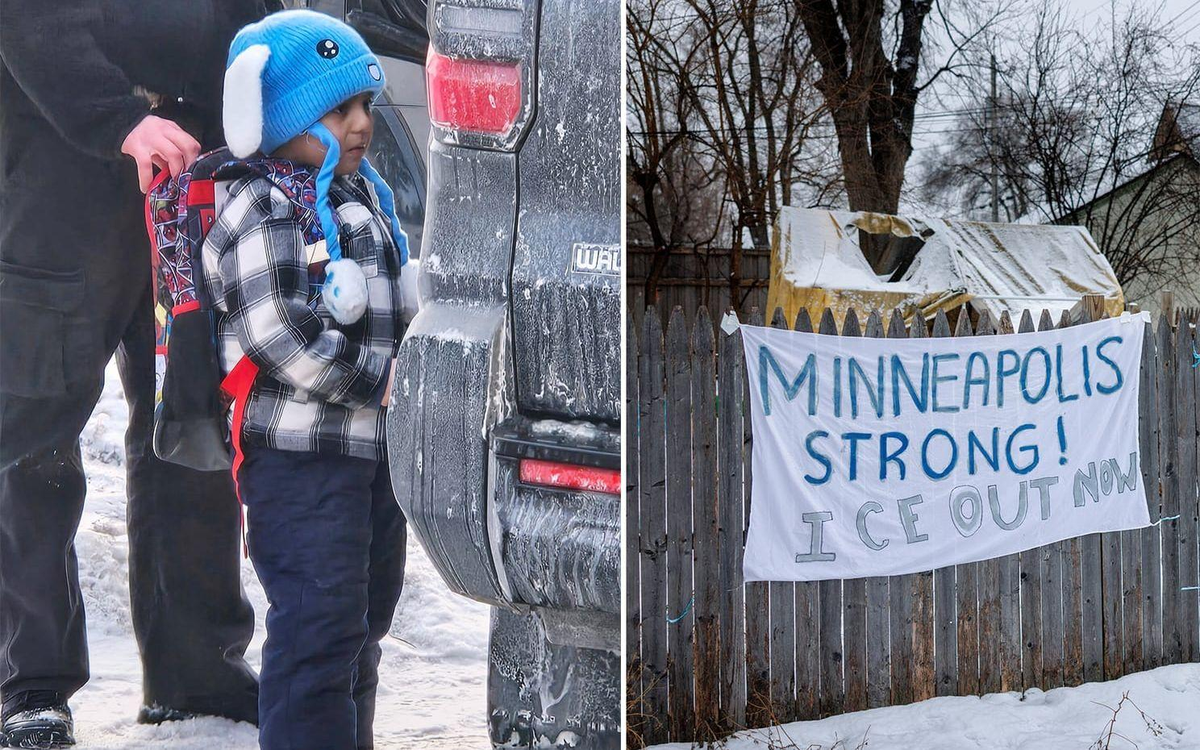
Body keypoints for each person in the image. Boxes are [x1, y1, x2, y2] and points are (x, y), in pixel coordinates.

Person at [0, 2, 276, 746]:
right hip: (59, 187)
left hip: (194, 184)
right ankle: (31, 686)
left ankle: (196, 674)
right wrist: (119, 119)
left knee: (191, 428)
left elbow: (254, 24)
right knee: (33, 438)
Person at [203, 10, 409, 749]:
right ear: (279, 114)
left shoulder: (360, 198)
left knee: (360, 629)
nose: (361, 124)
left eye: (365, 106)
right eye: (338, 108)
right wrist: (378, 381)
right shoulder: (262, 204)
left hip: (368, 457)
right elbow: (278, 335)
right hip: (299, 461)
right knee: (316, 631)